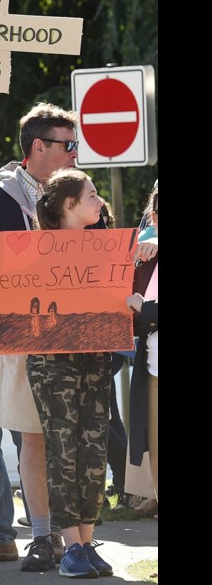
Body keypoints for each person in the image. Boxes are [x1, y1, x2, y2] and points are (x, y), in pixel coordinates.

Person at [0, 102, 88, 567]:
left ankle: (76, 537)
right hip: (25, 339)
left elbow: (104, 251)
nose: (75, 153)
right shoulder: (1, 202)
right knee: (33, 438)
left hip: (75, 338)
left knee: (71, 438)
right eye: (68, 145)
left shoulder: (81, 195)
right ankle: (42, 536)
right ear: (39, 147)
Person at [27, 168, 114, 578]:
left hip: (95, 357)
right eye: (92, 195)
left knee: (94, 448)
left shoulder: (106, 247)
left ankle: (87, 540)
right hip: (51, 361)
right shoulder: (31, 251)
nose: (100, 202)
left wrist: (143, 260)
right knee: (63, 449)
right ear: (69, 205)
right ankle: (71, 546)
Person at [127, 182, 158, 519]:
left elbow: (142, 311)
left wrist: (145, 310)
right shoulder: (145, 257)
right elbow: (127, 316)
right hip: (152, 371)